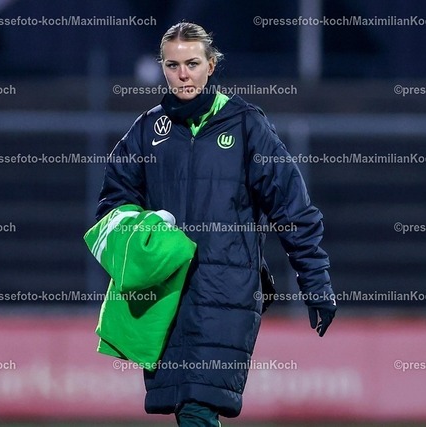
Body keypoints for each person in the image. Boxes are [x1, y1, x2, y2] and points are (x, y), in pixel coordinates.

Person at [95, 22, 337, 426]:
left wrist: (316, 282)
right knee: (186, 407)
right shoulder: (146, 131)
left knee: (197, 405)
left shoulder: (246, 125)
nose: (182, 74)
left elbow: (292, 208)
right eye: (172, 65)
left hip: (227, 293)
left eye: (192, 64)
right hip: (164, 295)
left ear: (211, 65)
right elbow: (111, 207)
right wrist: (143, 236)